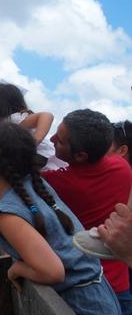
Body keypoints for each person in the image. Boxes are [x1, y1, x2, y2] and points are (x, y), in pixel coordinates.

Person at [0, 122, 121, 314]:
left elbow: (52, 271)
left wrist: (16, 269)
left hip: (80, 305)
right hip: (100, 296)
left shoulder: (9, 215)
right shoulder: (37, 185)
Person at [41, 109, 132, 314]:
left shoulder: (59, 184)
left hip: (87, 287)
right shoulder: (121, 167)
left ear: (81, 155)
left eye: (61, 140)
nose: (53, 138)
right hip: (121, 283)